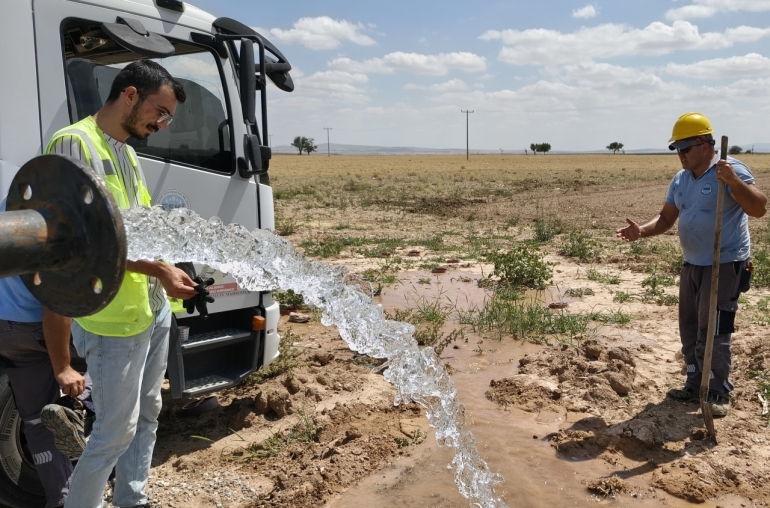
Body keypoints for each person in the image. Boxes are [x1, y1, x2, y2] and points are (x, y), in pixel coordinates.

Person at [46, 59, 199, 508]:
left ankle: (133, 499)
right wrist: (159, 272)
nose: (163, 123)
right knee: (114, 431)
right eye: (161, 111)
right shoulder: (74, 144)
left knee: (148, 413)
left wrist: (170, 268)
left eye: (169, 117)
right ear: (130, 95)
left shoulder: (128, 153)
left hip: (150, 312)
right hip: (111, 319)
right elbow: (86, 241)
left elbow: (144, 227)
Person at [616, 112, 767, 417]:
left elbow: (759, 208)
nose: (680, 156)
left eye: (684, 149)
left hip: (725, 263)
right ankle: (694, 382)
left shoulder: (731, 170)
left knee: (715, 330)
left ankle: (718, 392)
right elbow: (667, 218)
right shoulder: (682, 179)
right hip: (693, 264)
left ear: (703, 144)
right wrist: (642, 231)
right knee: (690, 327)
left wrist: (734, 182)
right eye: (677, 151)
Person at [0, 233, 85, 508]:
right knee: (116, 361)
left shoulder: (6, 211)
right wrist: (63, 369)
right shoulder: (53, 215)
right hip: (42, 325)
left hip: (5, 331)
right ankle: (79, 409)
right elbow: (57, 301)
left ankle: (60, 499)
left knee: (36, 421)